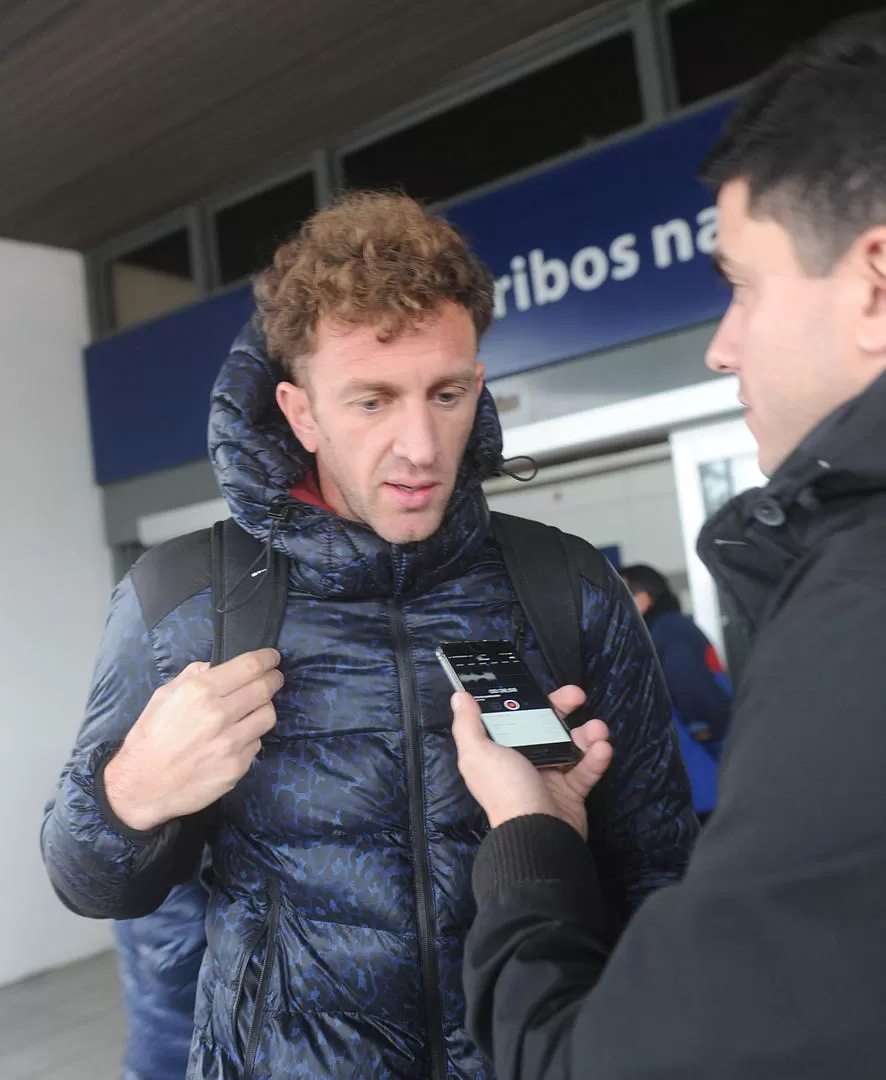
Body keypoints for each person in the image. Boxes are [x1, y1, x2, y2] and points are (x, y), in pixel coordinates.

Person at [41, 192, 696, 1079]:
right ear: (301, 412)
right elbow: (91, 883)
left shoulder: (565, 585)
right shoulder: (186, 596)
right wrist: (132, 792)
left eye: (448, 392)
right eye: (372, 400)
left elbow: (660, 876)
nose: (422, 445)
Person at [453, 11, 886, 1078]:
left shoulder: (859, 620)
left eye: (738, 283)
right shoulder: (190, 600)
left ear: (876, 281)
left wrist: (526, 831)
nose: (719, 346)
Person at [622, 563, 732, 821]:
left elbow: (696, 693)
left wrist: (713, 736)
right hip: (704, 776)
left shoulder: (670, 631)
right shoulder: (666, 630)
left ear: (643, 598)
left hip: (705, 775)